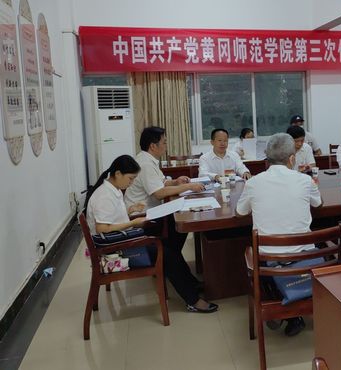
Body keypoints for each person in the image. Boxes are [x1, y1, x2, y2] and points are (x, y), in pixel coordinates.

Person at [86, 155, 218, 314]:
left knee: (169, 240)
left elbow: (112, 218)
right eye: (130, 178)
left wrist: (130, 210)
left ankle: (190, 283)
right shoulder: (104, 195)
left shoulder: (112, 189)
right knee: (167, 252)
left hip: (121, 239)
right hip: (115, 252)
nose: (131, 183)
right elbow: (102, 229)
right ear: (118, 173)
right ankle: (192, 300)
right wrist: (133, 223)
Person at [235, 133, 322, 337]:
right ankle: (295, 305)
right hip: (306, 257)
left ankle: (284, 307)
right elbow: (318, 204)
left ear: (267, 159)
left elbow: (239, 213)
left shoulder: (253, 183)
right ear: (292, 158)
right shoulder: (305, 180)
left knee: (258, 254)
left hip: (270, 259)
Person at [125, 126, 206, 252]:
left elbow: (162, 182)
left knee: (181, 216)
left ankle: (172, 255)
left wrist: (176, 182)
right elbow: (159, 193)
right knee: (180, 219)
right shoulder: (145, 164)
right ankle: (170, 255)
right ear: (153, 146)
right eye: (164, 142)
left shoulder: (148, 159)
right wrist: (188, 186)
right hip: (142, 216)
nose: (166, 146)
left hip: (152, 210)